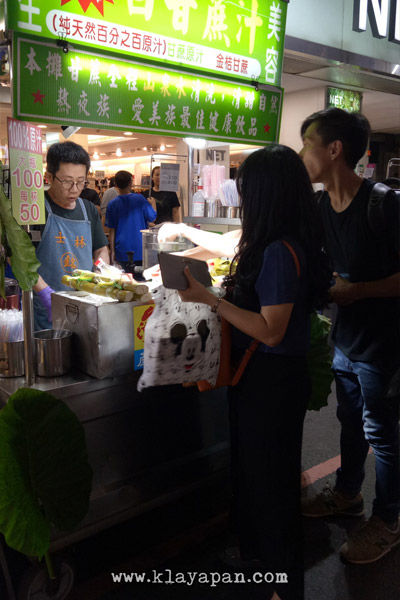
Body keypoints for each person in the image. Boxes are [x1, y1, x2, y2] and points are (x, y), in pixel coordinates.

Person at [175, 144, 331, 600]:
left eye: (246, 191)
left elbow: (271, 330)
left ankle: (285, 585)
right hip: (261, 378)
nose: (240, 199)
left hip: (272, 382)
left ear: (267, 194)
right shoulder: (280, 241)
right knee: (254, 475)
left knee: (272, 485)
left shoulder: (280, 250)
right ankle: (258, 556)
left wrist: (211, 301)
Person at [299, 107, 400, 564]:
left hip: (384, 345)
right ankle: (347, 494)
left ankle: (389, 520)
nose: (303, 154)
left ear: (334, 150)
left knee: (382, 432)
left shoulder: (383, 204)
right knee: (349, 420)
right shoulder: (322, 206)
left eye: (308, 144)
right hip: (345, 340)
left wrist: (357, 290)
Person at [32, 141, 109, 331]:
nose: (74, 189)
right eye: (67, 181)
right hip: (47, 308)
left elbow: (101, 249)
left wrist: (100, 274)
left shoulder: (88, 210)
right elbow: (21, 262)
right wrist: (45, 293)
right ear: (49, 177)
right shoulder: (36, 210)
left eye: (81, 182)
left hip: (85, 305)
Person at [105, 170, 156, 271]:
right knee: (141, 277)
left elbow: (112, 230)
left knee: (125, 278)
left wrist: (112, 251)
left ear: (115, 184)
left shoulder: (112, 204)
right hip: (140, 248)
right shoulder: (140, 199)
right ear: (131, 183)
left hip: (121, 249)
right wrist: (153, 204)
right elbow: (152, 218)